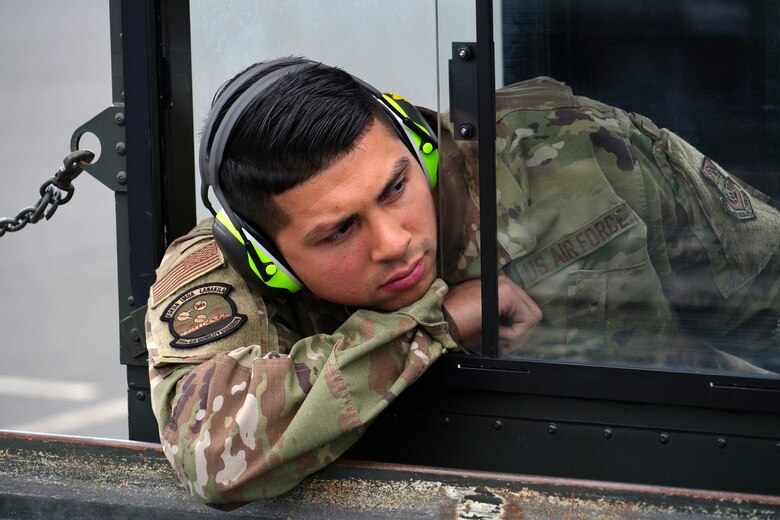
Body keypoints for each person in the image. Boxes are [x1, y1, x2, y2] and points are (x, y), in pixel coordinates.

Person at [144, 57, 780, 506]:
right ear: (269, 258)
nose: (395, 242)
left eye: (396, 187)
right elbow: (212, 451)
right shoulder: (220, 267)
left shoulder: (571, 148)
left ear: (417, 145)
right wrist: (436, 322)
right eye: (338, 232)